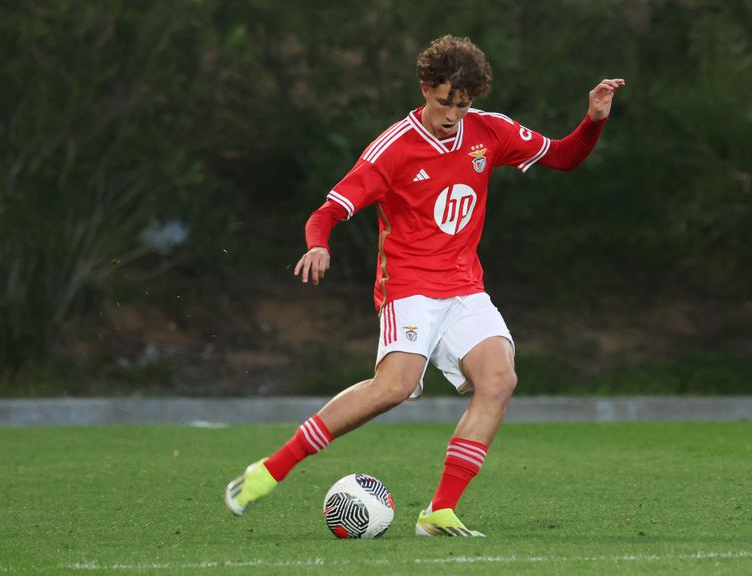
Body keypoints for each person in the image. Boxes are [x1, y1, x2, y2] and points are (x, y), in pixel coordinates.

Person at [225, 35, 624, 537]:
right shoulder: (393, 148)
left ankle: (439, 511)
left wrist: (593, 119)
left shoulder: (489, 131)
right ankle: (270, 470)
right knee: (393, 388)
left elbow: (564, 157)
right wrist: (317, 243)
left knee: (499, 380)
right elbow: (328, 210)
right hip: (409, 286)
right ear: (424, 89)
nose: (453, 114)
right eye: (443, 102)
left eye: (463, 104)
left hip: (464, 286)